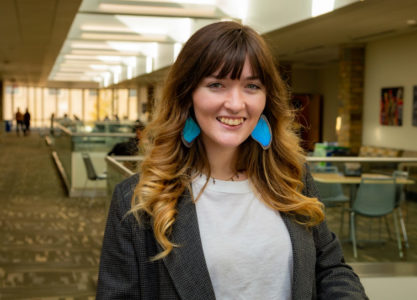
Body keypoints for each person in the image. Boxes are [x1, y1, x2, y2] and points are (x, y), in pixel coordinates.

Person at [97, 21, 367, 299]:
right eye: (216, 85)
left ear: (266, 97)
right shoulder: (138, 199)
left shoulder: (292, 178)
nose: (236, 104)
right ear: (187, 95)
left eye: (251, 86)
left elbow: (332, 268)